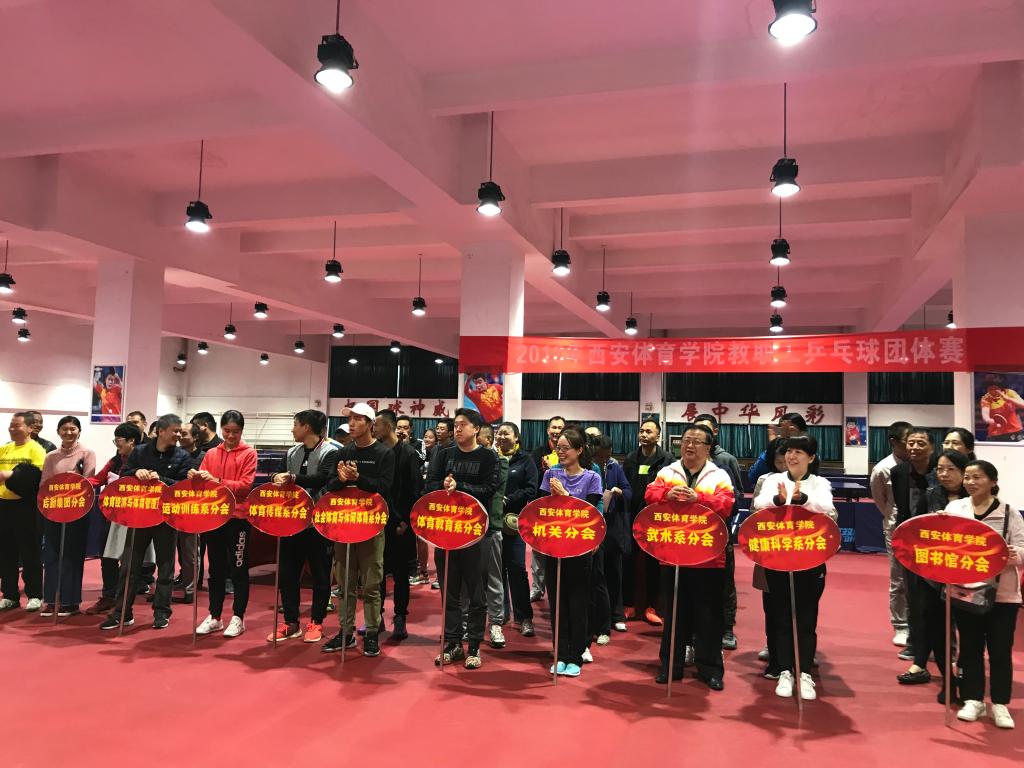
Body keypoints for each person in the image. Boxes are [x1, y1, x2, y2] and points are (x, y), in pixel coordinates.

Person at [645, 424, 735, 690]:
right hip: (672, 552)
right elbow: (649, 494)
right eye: (686, 441)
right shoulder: (668, 472)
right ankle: (670, 666)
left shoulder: (719, 475)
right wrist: (666, 494)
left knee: (708, 614)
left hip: (708, 555)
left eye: (696, 441)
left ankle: (710, 669)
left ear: (708, 448)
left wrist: (700, 498)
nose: (689, 446)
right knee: (674, 613)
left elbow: (727, 505)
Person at [753, 434, 837, 701]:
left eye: (799, 452)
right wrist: (779, 501)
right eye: (789, 451)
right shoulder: (773, 480)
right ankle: (785, 670)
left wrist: (802, 499)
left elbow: (826, 507)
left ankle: (805, 672)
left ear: (811, 457)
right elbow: (759, 503)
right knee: (780, 615)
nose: (792, 456)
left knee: (806, 617)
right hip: (777, 556)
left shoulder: (820, 483)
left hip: (809, 558)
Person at [947, 460, 1024, 728]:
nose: (970, 482)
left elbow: (1023, 549)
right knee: (970, 648)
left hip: (1003, 595)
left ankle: (1000, 704)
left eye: (977, 477)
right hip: (965, 591)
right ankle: (973, 699)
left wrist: (1014, 554)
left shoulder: (1010, 513)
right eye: (967, 477)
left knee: (1000, 650)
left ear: (993, 481)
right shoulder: (955, 509)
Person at [100, 414, 192, 630]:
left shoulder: (182, 456)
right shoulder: (140, 452)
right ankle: (122, 612)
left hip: (166, 518)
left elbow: (182, 485)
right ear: (161, 431)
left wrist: (161, 479)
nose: (178, 435)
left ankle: (161, 612)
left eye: (180, 431)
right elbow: (125, 476)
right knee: (129, 566)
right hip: (138, 516)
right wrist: (136, 472)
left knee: (166, 567)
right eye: (175, 431)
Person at [426, 408, 500, 670]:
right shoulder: (444, 454)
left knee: (477, 592)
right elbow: (430, 485)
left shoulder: (488, 457)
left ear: (476, 429)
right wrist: (442, 485)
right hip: (446, 531)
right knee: (449, 591)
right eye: (455, 424)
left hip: (476, 533)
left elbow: (490, 489)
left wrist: (462, 488)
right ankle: (453, 643)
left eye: (463, 424)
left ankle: (475, 645)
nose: (457, 429)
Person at [321, 403, 394, 657]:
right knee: (345, 583)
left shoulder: (384, 453)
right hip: (344, 524)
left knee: (372, 584)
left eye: (358, 419)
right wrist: (341, 480)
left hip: (372, 524)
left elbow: (385, 487)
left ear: (371, 424)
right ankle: (346, 631)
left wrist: (358, 478)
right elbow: (329, 486)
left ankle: (372, 633)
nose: (352, 423)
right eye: (350, 418)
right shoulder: (343, 452)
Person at [898, 450, 969, 702]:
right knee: (936, 627)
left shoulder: (974, 498)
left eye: (950, 469)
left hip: (967, 576)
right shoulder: (929, 496)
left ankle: (966, 677)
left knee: (968, 629)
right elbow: (915, 530)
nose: (944, 474)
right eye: (940, 469)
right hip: (932, 576)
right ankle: (947, 681)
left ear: (964, 472)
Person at [268, 410, 340, 642]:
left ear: (306, 427)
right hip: (292, 522)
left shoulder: (331, 452)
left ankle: (316, 622)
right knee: (288, 574)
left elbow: (323, 478)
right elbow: (277, 473)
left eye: (295, 425)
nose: (292, 429)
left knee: (320, 575)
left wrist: (293, 478)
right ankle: (291, 623)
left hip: (319, 524)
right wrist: (276, 478)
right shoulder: (292, 452)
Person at [540, 428, 603, 677]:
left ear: (579, 450)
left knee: (577, 602)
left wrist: (565, 496)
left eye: (566, 448)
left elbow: (590, 514)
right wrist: (552, 496)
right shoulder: (550, 474)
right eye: (559, 448)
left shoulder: (592, 477)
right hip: (553, 546)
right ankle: (560, 653)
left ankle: (576, 654)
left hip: (579, 549)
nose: (561, 452)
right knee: (557, 602)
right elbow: (541, 509)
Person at [191, 411, 258, 639]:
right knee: (216, 569)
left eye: (235, 432)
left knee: (238, 569)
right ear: (221, 429)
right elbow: (201, 482)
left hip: (238, 519)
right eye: (227, 431)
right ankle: (215, 616)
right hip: (214, 517)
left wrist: (218, 482)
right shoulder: (211, 453)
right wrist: (196, 477)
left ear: (241, 431)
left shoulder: (249, 453)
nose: (230, 436)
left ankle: (238, 617)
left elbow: (245, 486)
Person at [694, 413, 744, 651]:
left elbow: (737, 498)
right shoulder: (681, 464)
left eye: (704, 432)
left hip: (719, 533)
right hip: (691, 535)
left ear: (713, 435)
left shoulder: (725, 462)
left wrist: (708, 500)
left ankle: (727, 628)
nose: (697, 438)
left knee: (724, 583)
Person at [39, 416, 97, 616]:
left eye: (73, 429)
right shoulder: (51, 456)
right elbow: (45, 483)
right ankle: (51, 600)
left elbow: (88, 483)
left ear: (79, 431)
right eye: (64, 429)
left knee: (72, 555)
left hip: (77, 510)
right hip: (54, 510)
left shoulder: (87, 453)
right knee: (52, 555)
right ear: (58, 432)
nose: (69, 432)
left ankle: (70, 601)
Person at [85, 422, 143, 615]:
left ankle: (124, 602)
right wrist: (77, 481)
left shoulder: (143, 461)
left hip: (132, 518)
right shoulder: (114, 461)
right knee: (107, 557)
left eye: (118, 440)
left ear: (131, 441)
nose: (116, 444)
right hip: (110, 516)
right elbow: (97, 479)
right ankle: (108, 596)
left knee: (129, 561)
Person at [373, 409, 421, 641]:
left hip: (401, 524)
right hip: (378, 521)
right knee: (377, 572)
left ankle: (400, 617)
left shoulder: (409, 454)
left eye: (377, 425)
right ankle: (376, 617)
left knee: (401, 574)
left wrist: (406, 521)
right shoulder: (377, 452)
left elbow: (415, 490)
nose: (373, 429)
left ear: (388, 426)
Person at [891, 427, 937, 663]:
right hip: (910, 543)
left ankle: (946, 647)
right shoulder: (898, 472)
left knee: (940, 598)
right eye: (911, 443)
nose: (915, 447)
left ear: (932, 447)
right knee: (913, 596)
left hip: (938, 543)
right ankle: (914, 644)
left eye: (921, 443)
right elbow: (898, 506)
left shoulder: (941, 470)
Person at [623, 419, 671, 624]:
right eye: (641, 431)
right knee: (629, 561)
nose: (643, 434)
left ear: (658, 436)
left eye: (649, 431)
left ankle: (653, 606)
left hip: (656, 520)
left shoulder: (667, 460)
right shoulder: (630, 458)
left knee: (654, 564)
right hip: (632, 517)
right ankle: (629, 604)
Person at [870, 421, 912, 647]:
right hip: (896, 527)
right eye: (907, 441)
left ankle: (918, 623)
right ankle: (901, 625)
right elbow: (880, 501)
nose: (912, 446)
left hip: (919, 529)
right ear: (894, 442)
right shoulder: (882, 469)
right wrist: (892, 517)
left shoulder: (919, 463)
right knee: (899, 579)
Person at [0, 412, 48, 611]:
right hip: (3, 505)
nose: (12, 429)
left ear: (30, 428)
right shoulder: (5, 448)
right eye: (11, 425)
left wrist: (9, 476)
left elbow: (34, 478)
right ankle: (10, 595)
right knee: (6, 552)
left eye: (17, 425)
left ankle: (35, 594)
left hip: (25, 507)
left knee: (30, 552)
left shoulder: (37, 450)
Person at [495, 422, 539, 637]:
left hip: (515, 524)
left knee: (517, 569)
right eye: (499, 433)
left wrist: (508, 499)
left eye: (506, 433)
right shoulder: (492, 458)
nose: (502, 436)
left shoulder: (526, 460)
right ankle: (501, 613)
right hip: (494, 523)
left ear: (516, 437)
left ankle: (524, 617)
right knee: (497, 571)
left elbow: (531, 489)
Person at [752, 438, 789, 673]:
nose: (785, 465)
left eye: (790, 459)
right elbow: (754, 514)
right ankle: (774, 650)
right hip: (771, 551)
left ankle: (800, 653)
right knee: (773, 606)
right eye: (779, 460)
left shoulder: (811, 482)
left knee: (799, 607)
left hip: (800, 552)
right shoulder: (764, 481)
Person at [592, 435, 632, 637]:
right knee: (597, 575)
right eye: (600, 457)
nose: (603, 461)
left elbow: (629, 491)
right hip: (592, 525)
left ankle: (617, 615)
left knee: (615, 571)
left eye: (607, 457)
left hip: (613, 524)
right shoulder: (589, 469)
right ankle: (599, 618)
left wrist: (619, 492)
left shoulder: (615, 467)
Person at [529, 416, 566, 603]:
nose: (556, 431)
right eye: (554, 427)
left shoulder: (568, 454)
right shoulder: (537, 453)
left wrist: (555, 469)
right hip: (541, 509)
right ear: (547, 430)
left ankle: (557, 589)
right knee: (538, 550)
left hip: (563, 512)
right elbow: (532, 481)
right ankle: (537, 588)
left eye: (560, 428)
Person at [748, 412, 809, 487]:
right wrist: (772, 447)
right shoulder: (774, 450)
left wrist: (798, 442)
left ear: (802, 432)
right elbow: (752, 477)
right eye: (783, 429)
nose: (788, 434)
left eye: (791, 429)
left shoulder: (809, 452)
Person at [979, 374, 1024, 442]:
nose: (993, 391)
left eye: (995, 389)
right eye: (990, 389)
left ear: (1001, 388)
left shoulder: (1009, 393)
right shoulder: (986, 398)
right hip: (995, 433)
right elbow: (985, 415)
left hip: (1015, 431)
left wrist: (1008, 399)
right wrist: (990, 421)